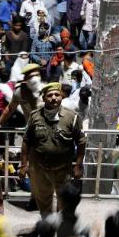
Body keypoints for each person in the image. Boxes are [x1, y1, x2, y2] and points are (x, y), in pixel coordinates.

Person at [21, 82, 87, 216]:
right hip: (39, 169)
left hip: (63, 169)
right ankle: (47, 225)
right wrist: (23, 165)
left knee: (64, 202)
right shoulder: (35, 116)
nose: (54, 98)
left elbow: (81, 142)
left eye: (57, 94)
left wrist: (78, 166)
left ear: (61, 96)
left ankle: (60, 226)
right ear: (44, 98)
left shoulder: (72, 117)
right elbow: (26, 141)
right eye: (49, 95)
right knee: (43, 201)